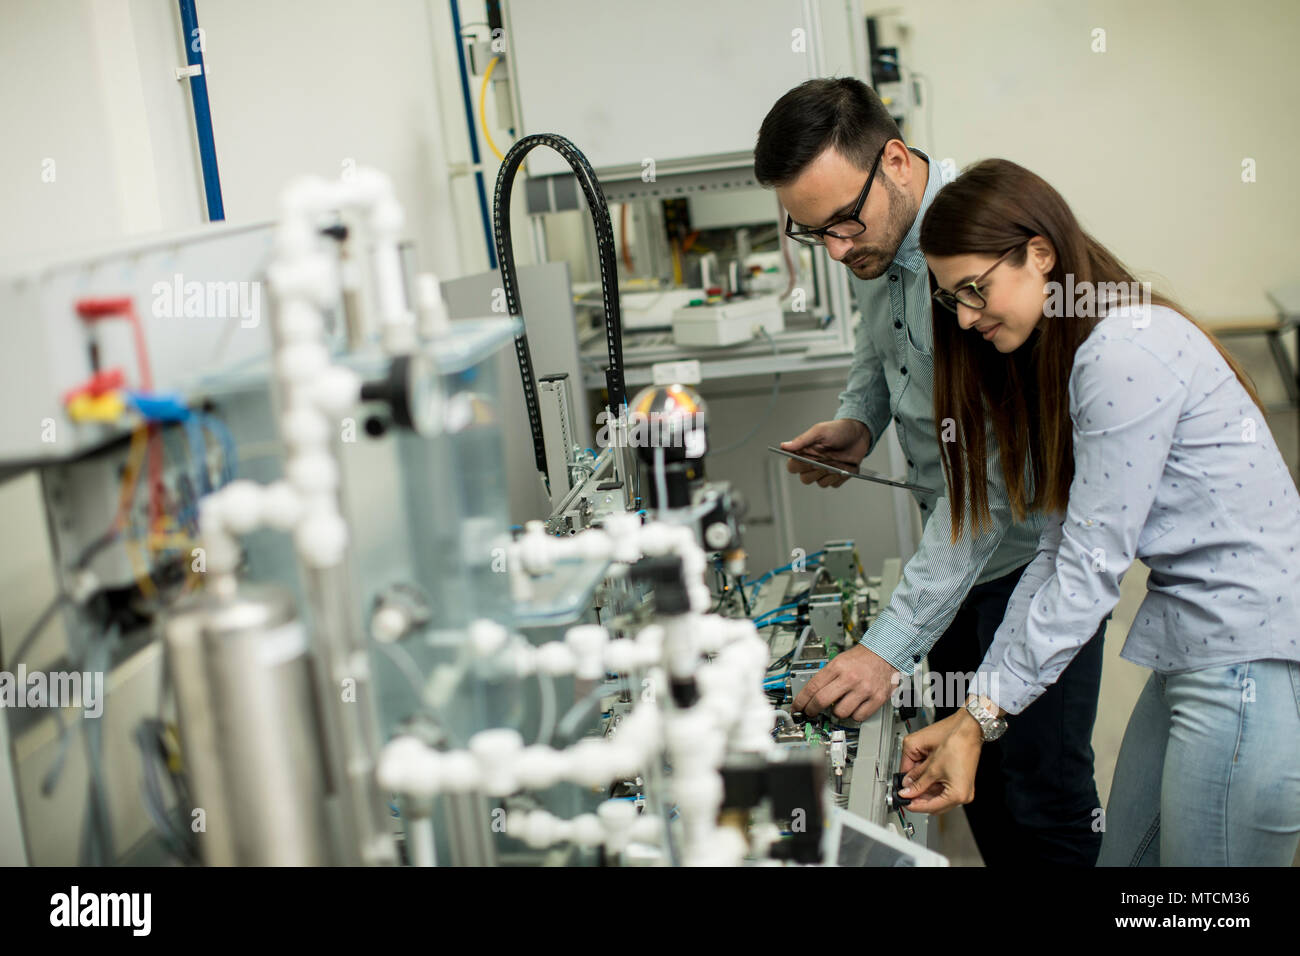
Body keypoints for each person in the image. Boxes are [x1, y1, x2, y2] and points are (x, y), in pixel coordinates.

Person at [898, 158, 1300, 866]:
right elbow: (1057, 554)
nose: (963, 317)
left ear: (1041, 255)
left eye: (974, 289)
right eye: (949, 299)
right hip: (1199, 654)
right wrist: (972, 715)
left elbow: (1087, 573)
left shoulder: (1119, 351)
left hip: (1248, 660)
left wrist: (977, 720)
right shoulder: (1081, 351)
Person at [754, 78, 1106, 866]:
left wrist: (886, 648)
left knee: (1042, 795)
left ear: (898, 162)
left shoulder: (975, 260)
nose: (840, 250)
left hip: (1032, 569)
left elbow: (983, 489)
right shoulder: (882, 247)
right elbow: (879, 346)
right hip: (955, 570)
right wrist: (859, 419)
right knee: (965, 778)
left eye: (846, 223)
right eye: (816, 235)